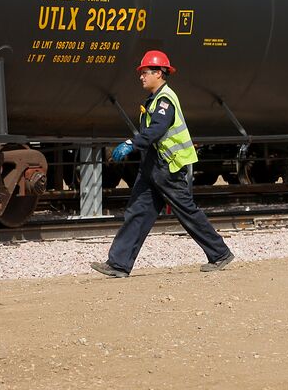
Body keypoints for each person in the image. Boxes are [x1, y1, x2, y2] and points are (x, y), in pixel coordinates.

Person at [91, 50, 234, 278]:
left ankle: (219, 253)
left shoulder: (165, 99)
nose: (141, 76)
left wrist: (131, 143)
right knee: (137, 211)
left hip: (169, 166)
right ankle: (118, 264)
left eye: (145, 72)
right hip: (153, 166)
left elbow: (156, 130)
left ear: (159, 73)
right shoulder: (154, 99)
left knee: (186, 211)